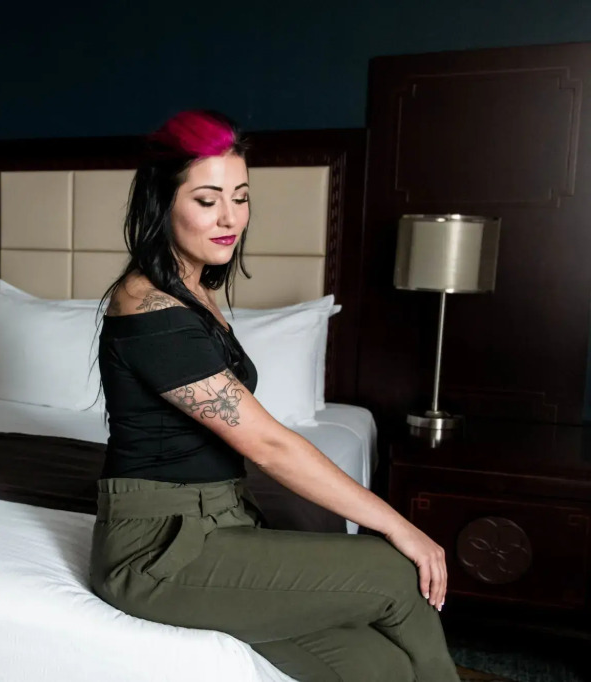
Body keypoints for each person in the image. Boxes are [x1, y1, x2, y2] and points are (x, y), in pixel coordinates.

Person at [89, 110, 460, 682]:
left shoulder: (192, 289)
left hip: (222, 524)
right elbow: (268, 446)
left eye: (240, 198)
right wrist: (399, 525)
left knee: (378, 664)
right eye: (207, 200)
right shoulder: (149, 308)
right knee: (394, 571)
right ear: (162, 203)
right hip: (157, 552)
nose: (230, 217)